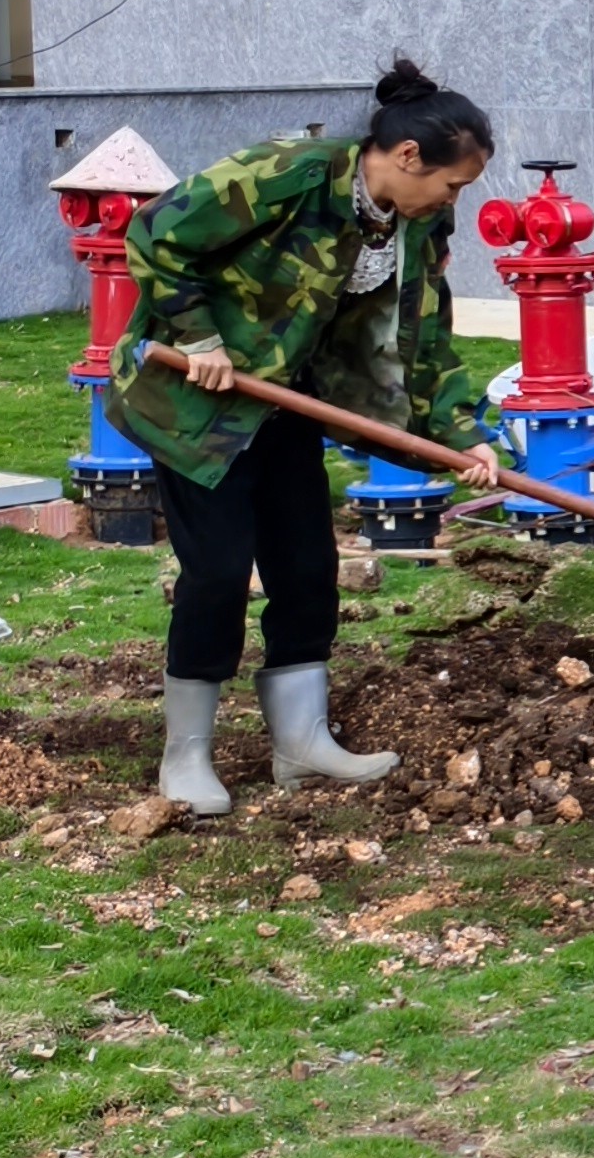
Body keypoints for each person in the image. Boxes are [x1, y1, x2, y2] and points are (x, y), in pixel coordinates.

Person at [115, 58, 506, 815]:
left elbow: (426, 333)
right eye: (453, 183)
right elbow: (156, 232)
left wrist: (464, 433)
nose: (453, 199)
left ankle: (301, 743)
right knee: (217, 573)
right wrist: (200, 338)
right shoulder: (287, 175)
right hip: (198, 406)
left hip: (289, 403)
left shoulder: (418, 223)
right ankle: (186, 755)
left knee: (306, 568)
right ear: (407, 155)